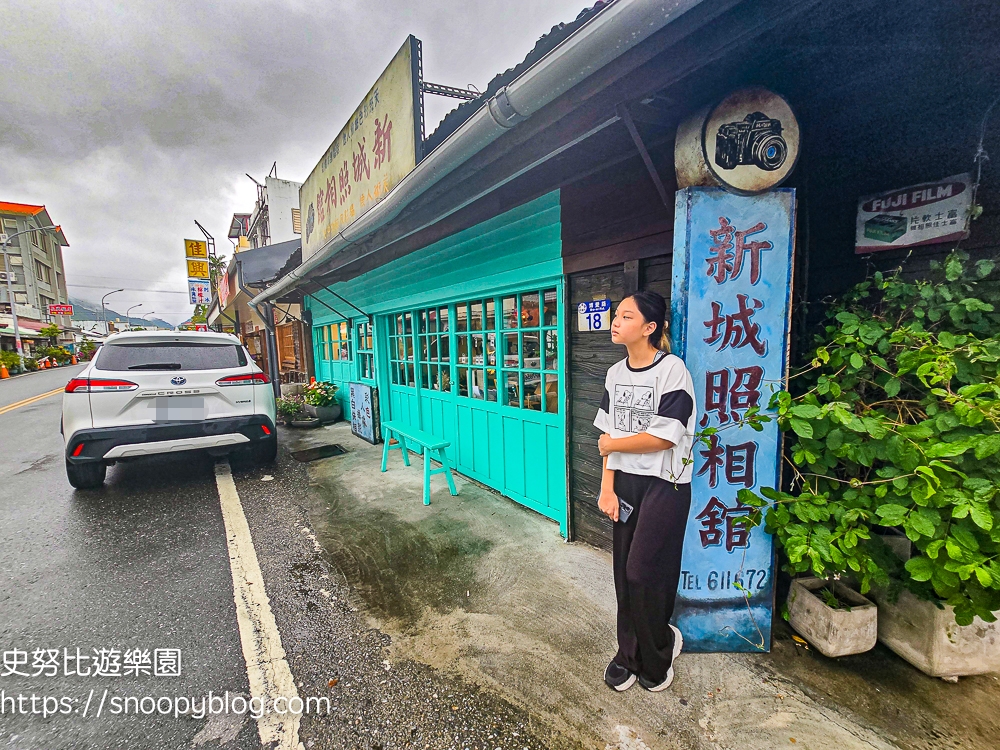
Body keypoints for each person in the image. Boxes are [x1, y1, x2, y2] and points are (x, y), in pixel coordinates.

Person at [594, 290, 696, 692]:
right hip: (625, 483)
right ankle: (628, 654)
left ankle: (661, 648)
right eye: (615, 315)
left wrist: (614, 445)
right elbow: (606, 432)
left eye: (626, 316)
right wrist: (606, 487)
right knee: (623, 574)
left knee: (644, 573)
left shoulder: (672, 371)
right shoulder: (615, 373)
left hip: (666, 484)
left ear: (650, 328)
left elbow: (665, 437)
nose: (615, 322)